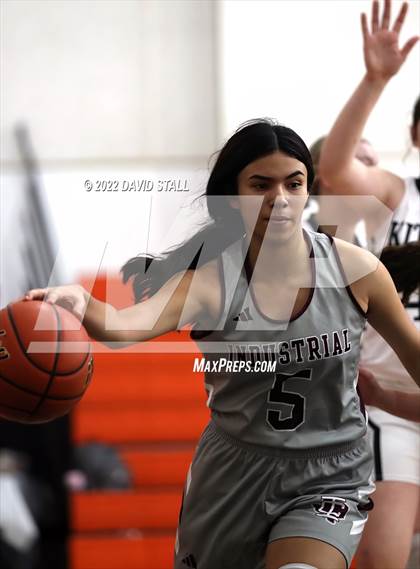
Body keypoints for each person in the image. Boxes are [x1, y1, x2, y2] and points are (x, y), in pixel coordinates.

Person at [25, 117, 419, 569]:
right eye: (260, 185)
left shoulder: (358, 270)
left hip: (329, 475)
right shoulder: (211, 282)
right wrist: (80, 301)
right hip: (235, 474)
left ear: (309, 190)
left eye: (294, 183)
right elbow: (122, 325)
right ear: (233, 199)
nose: (279, 199)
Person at [318, 1, 419, 567]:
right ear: (414, 134)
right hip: (387, 401)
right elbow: (335, 171)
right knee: (385, 560)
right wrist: (375, 79)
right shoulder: (399, 192)